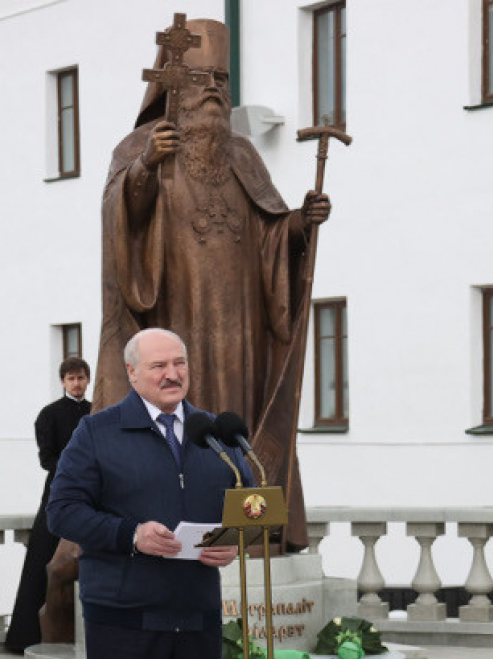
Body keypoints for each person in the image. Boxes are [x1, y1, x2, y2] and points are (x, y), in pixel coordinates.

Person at [93, 17, 330, 551]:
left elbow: (269, 234)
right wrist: (145, 168)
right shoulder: (140, 146)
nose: (215, 93)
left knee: (235, 424)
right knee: (185, 419)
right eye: (203, 81)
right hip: (176, 319)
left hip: (241, 328)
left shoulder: (242, 154)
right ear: (173, 86)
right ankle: (188, 529)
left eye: (222, 81)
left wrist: (300, 224)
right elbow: (120, 225)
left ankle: (251, 530)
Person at [49, 328, 243, 659]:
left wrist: (235, 539)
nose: (173, 374)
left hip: (196, 619)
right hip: (123, 623)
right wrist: (129, 535)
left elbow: (247, 498)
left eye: (180, 363)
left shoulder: (215, 434)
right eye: (159, 366)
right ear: (132, 373)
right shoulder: (96, 432)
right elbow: (62, 511)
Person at [5, 357, 91, 653]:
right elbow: (47, 459)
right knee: (41, 560)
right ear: (63, 382)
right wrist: (74, 471)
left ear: (88, 380)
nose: (77, 384)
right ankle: (25, 638)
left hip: (91, 494)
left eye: (81, 378)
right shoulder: (49, 414)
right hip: (58, 493)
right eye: (71, 379)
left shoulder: (96, 412)